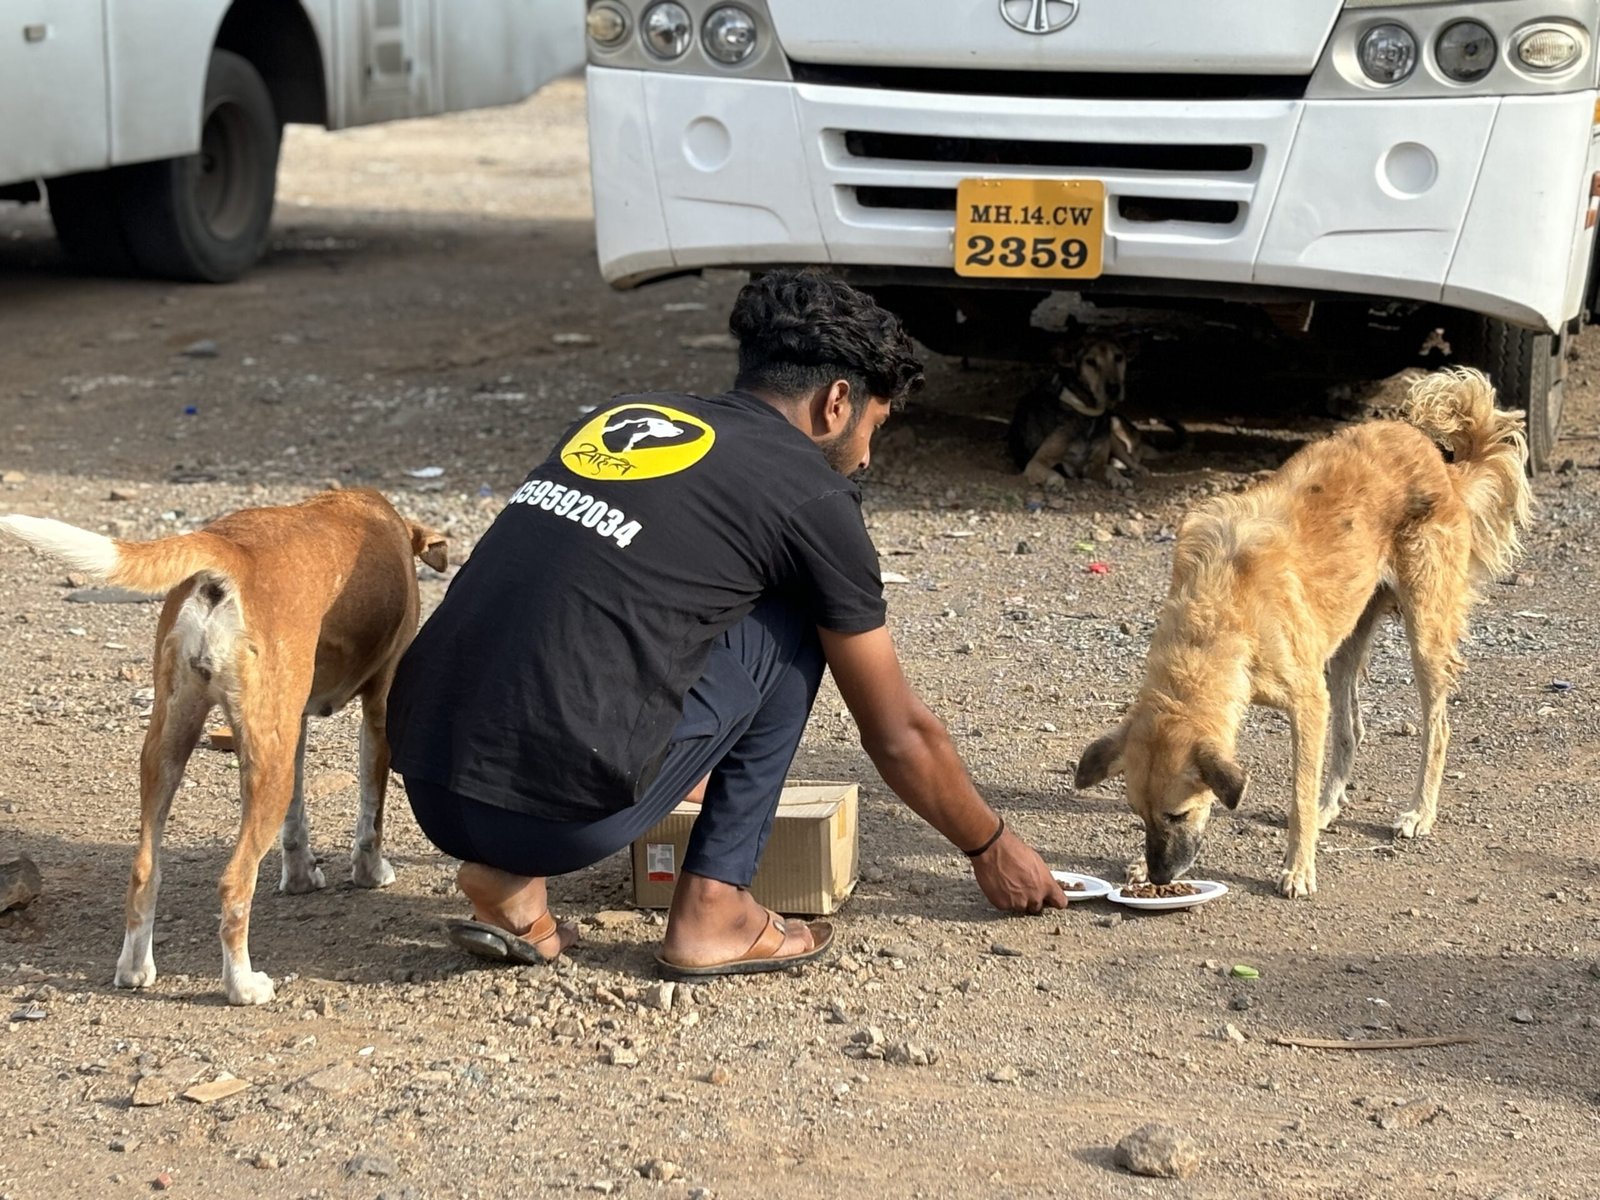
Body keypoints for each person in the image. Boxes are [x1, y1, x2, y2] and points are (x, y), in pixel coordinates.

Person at [385, 269, 1067, 980]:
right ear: (838, 402)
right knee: (802, 612)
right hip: (557, 815)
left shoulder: (620, 419)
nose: (865, 457)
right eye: (875, 427)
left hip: (433, 784)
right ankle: (715, 906)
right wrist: (990, 845)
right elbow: (897, 734)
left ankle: (509, 886)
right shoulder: (812, 493)